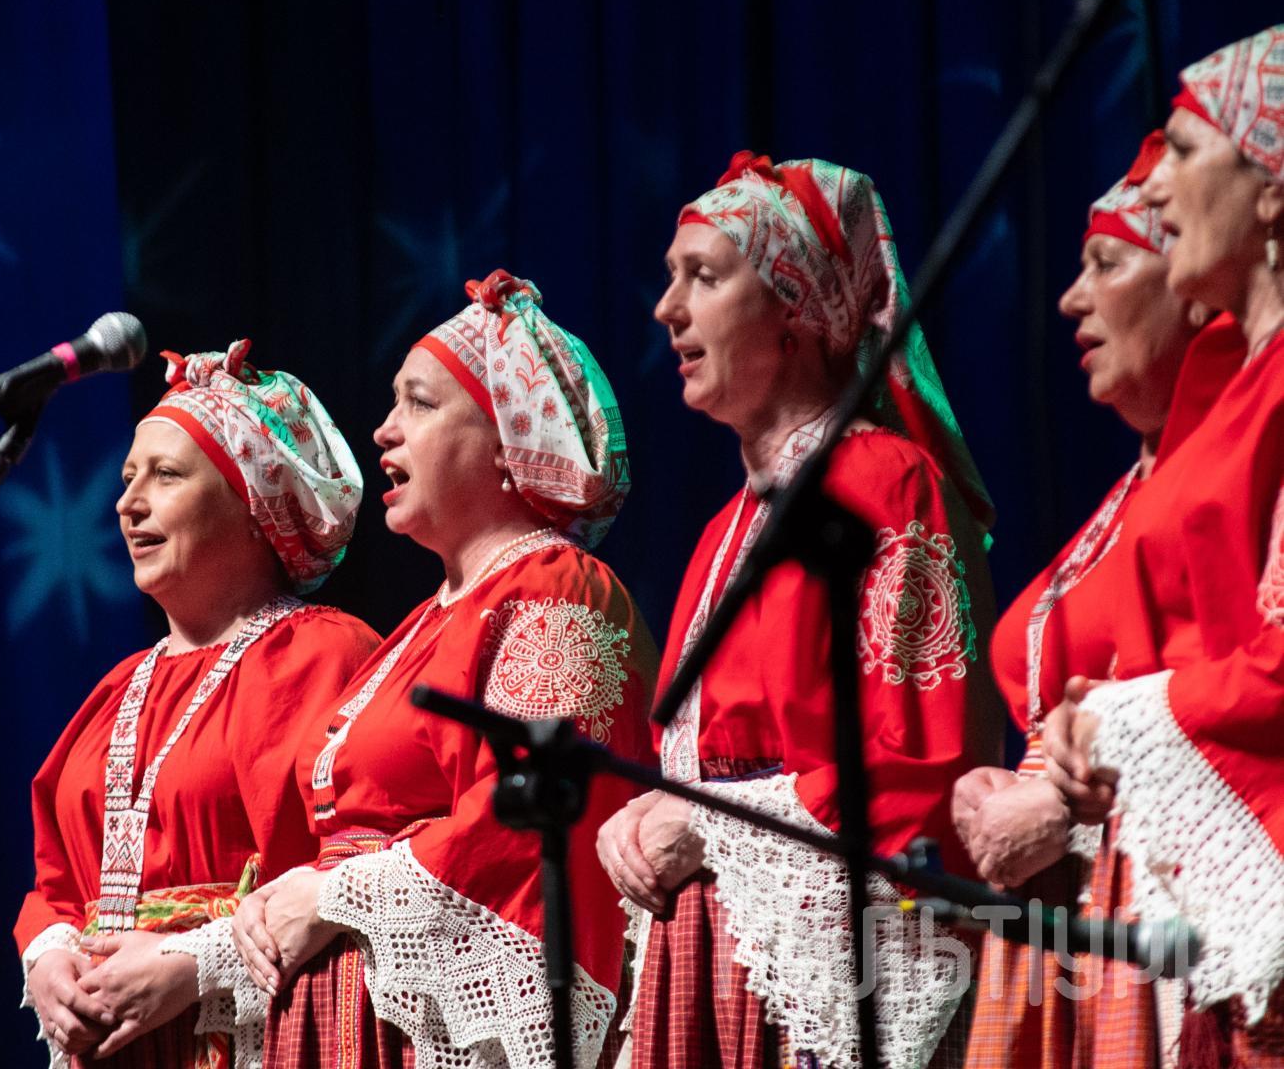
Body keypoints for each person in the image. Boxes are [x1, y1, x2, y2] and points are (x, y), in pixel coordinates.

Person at [598, 150, 1001, 1069]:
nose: (667, 309)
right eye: (670, 278)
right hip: (713, 950)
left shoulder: (886, 483)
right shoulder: (723, 531)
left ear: (799, 308)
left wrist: (702, 822)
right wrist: (649, 810)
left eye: (703, 277)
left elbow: (917, 768)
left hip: (821, 964)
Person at [231, 269, 658, 1068]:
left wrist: (332, 895)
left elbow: (530, 830)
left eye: (420, 404)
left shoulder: (556, 588)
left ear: (508, 441)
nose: (384, 431)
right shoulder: (428, 620)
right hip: (357, 1017)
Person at [14, 339, 380, 1068]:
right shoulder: (118, 689)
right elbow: (57, 884)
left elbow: (353, 875)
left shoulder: (322, 656)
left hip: (257, 1037)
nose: (127, 503)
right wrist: (50, 961)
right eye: (128, 478)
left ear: (253, 506)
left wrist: (194, 964)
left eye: (166, 474)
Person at [952, 131, 1230, 1069]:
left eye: (1107, 265)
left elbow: (1240, 709)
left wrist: (1063, 809)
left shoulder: (1222, 475)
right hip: (1067, 925)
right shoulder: (1128, 497)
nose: (1072, 299)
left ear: (1194, 282)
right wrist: (997, 788)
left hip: (1165, 914)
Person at [1043, 24, 1284, 1066]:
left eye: (1184, 151)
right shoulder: (1236, 398)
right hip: (1194, 886)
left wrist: (1115, 721)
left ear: (1271, 191)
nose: (1156, 183)